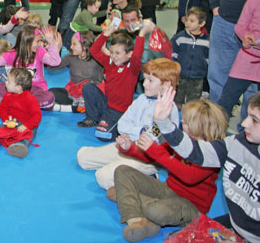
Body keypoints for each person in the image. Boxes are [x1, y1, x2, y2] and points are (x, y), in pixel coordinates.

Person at [153, 88, 260, 243]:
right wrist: (164, 124)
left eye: (255, 120)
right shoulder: (239, 141)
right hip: (236, 224)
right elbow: (197, 152)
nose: (244, 123)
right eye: (248, 116)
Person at [112, 99, 227, 242]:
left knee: (155, 211)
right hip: (169, 189)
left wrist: (155, 150)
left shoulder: (211, 154)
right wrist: (129, 148)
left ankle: (129, 198)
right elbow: (151, 157)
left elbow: (189, 176)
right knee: (122, 171)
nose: (180, 124)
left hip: (191, 205)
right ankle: (135, 218)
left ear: (197, 126)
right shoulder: (182, 139)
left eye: (184, 122)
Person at [77, 58, 181, 189]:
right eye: (145, 79)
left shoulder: (169, 110)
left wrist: (135, 134)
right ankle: (123, 164)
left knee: (103, 177)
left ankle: (148, 177)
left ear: (166, 85)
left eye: (151, 80)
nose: (144, 84)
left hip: (149, 158)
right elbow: (122, 125)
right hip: (128, 145)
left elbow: (150, 141)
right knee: (83, 157)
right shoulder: (142, 99)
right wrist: (139, 132)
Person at [77, 21, 152, 129]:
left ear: (130, 54)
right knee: (88, 87)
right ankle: (93, 118)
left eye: (117, 53)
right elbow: (93, 50)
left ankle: (116, 124)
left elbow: (137, 55)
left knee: (102, 134)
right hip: (107, 105)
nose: (113, 56)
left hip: (120, 112)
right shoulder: (110, 62)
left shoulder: (132, 67)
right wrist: (106, 34)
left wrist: (142, 33)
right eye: (111, 52)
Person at [0, 25, 62, 110]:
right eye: (37, 41)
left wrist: (51, 43)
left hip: (35, 89)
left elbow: (55, 62)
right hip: (17, 90)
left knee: (49, 97)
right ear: (27, 42)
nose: (40, 43)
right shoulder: (13, 54)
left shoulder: (39, 51)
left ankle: (16, 104)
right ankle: (25, 104)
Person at [217, 0, 260, 121]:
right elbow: (240, 26)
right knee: (226, 101)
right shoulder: (253, 0)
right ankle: (216, 134)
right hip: (246, 59)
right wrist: (245, 36)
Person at [0, 68, 41, 158]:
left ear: (18, 87)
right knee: (2, 130)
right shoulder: (8, 95)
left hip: (26, 123)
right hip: (12, 121)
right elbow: (3, 108)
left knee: (27, 134)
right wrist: (6, 121)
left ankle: (20, 146)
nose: (6, 83)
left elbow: (37, 115)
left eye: (9, 82)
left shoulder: (31, 99)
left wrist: (27, 125)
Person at [49, 30, 103, 112]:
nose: (71, 47)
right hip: (75, 93)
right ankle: (77, 105)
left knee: (91, 96)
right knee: (51, 92)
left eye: (74, 44)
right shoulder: (71, 57)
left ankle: (68, 108)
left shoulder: (97, 58)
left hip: (91, 94)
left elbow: (111, 64)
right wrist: (56, 50)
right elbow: (53, 66)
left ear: (84, 46)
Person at [171, 7, 209, 109]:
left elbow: (208, 58)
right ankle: (176, 118)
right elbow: (173, 54)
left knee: (193, 102)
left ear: (201, 24)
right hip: (180, 75)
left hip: (197, 76)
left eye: (192, 21)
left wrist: (204, 69)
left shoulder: (207, 41)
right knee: (177, 99)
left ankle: (189, 120)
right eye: (187, 20)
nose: (187, 23)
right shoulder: (179, 37)